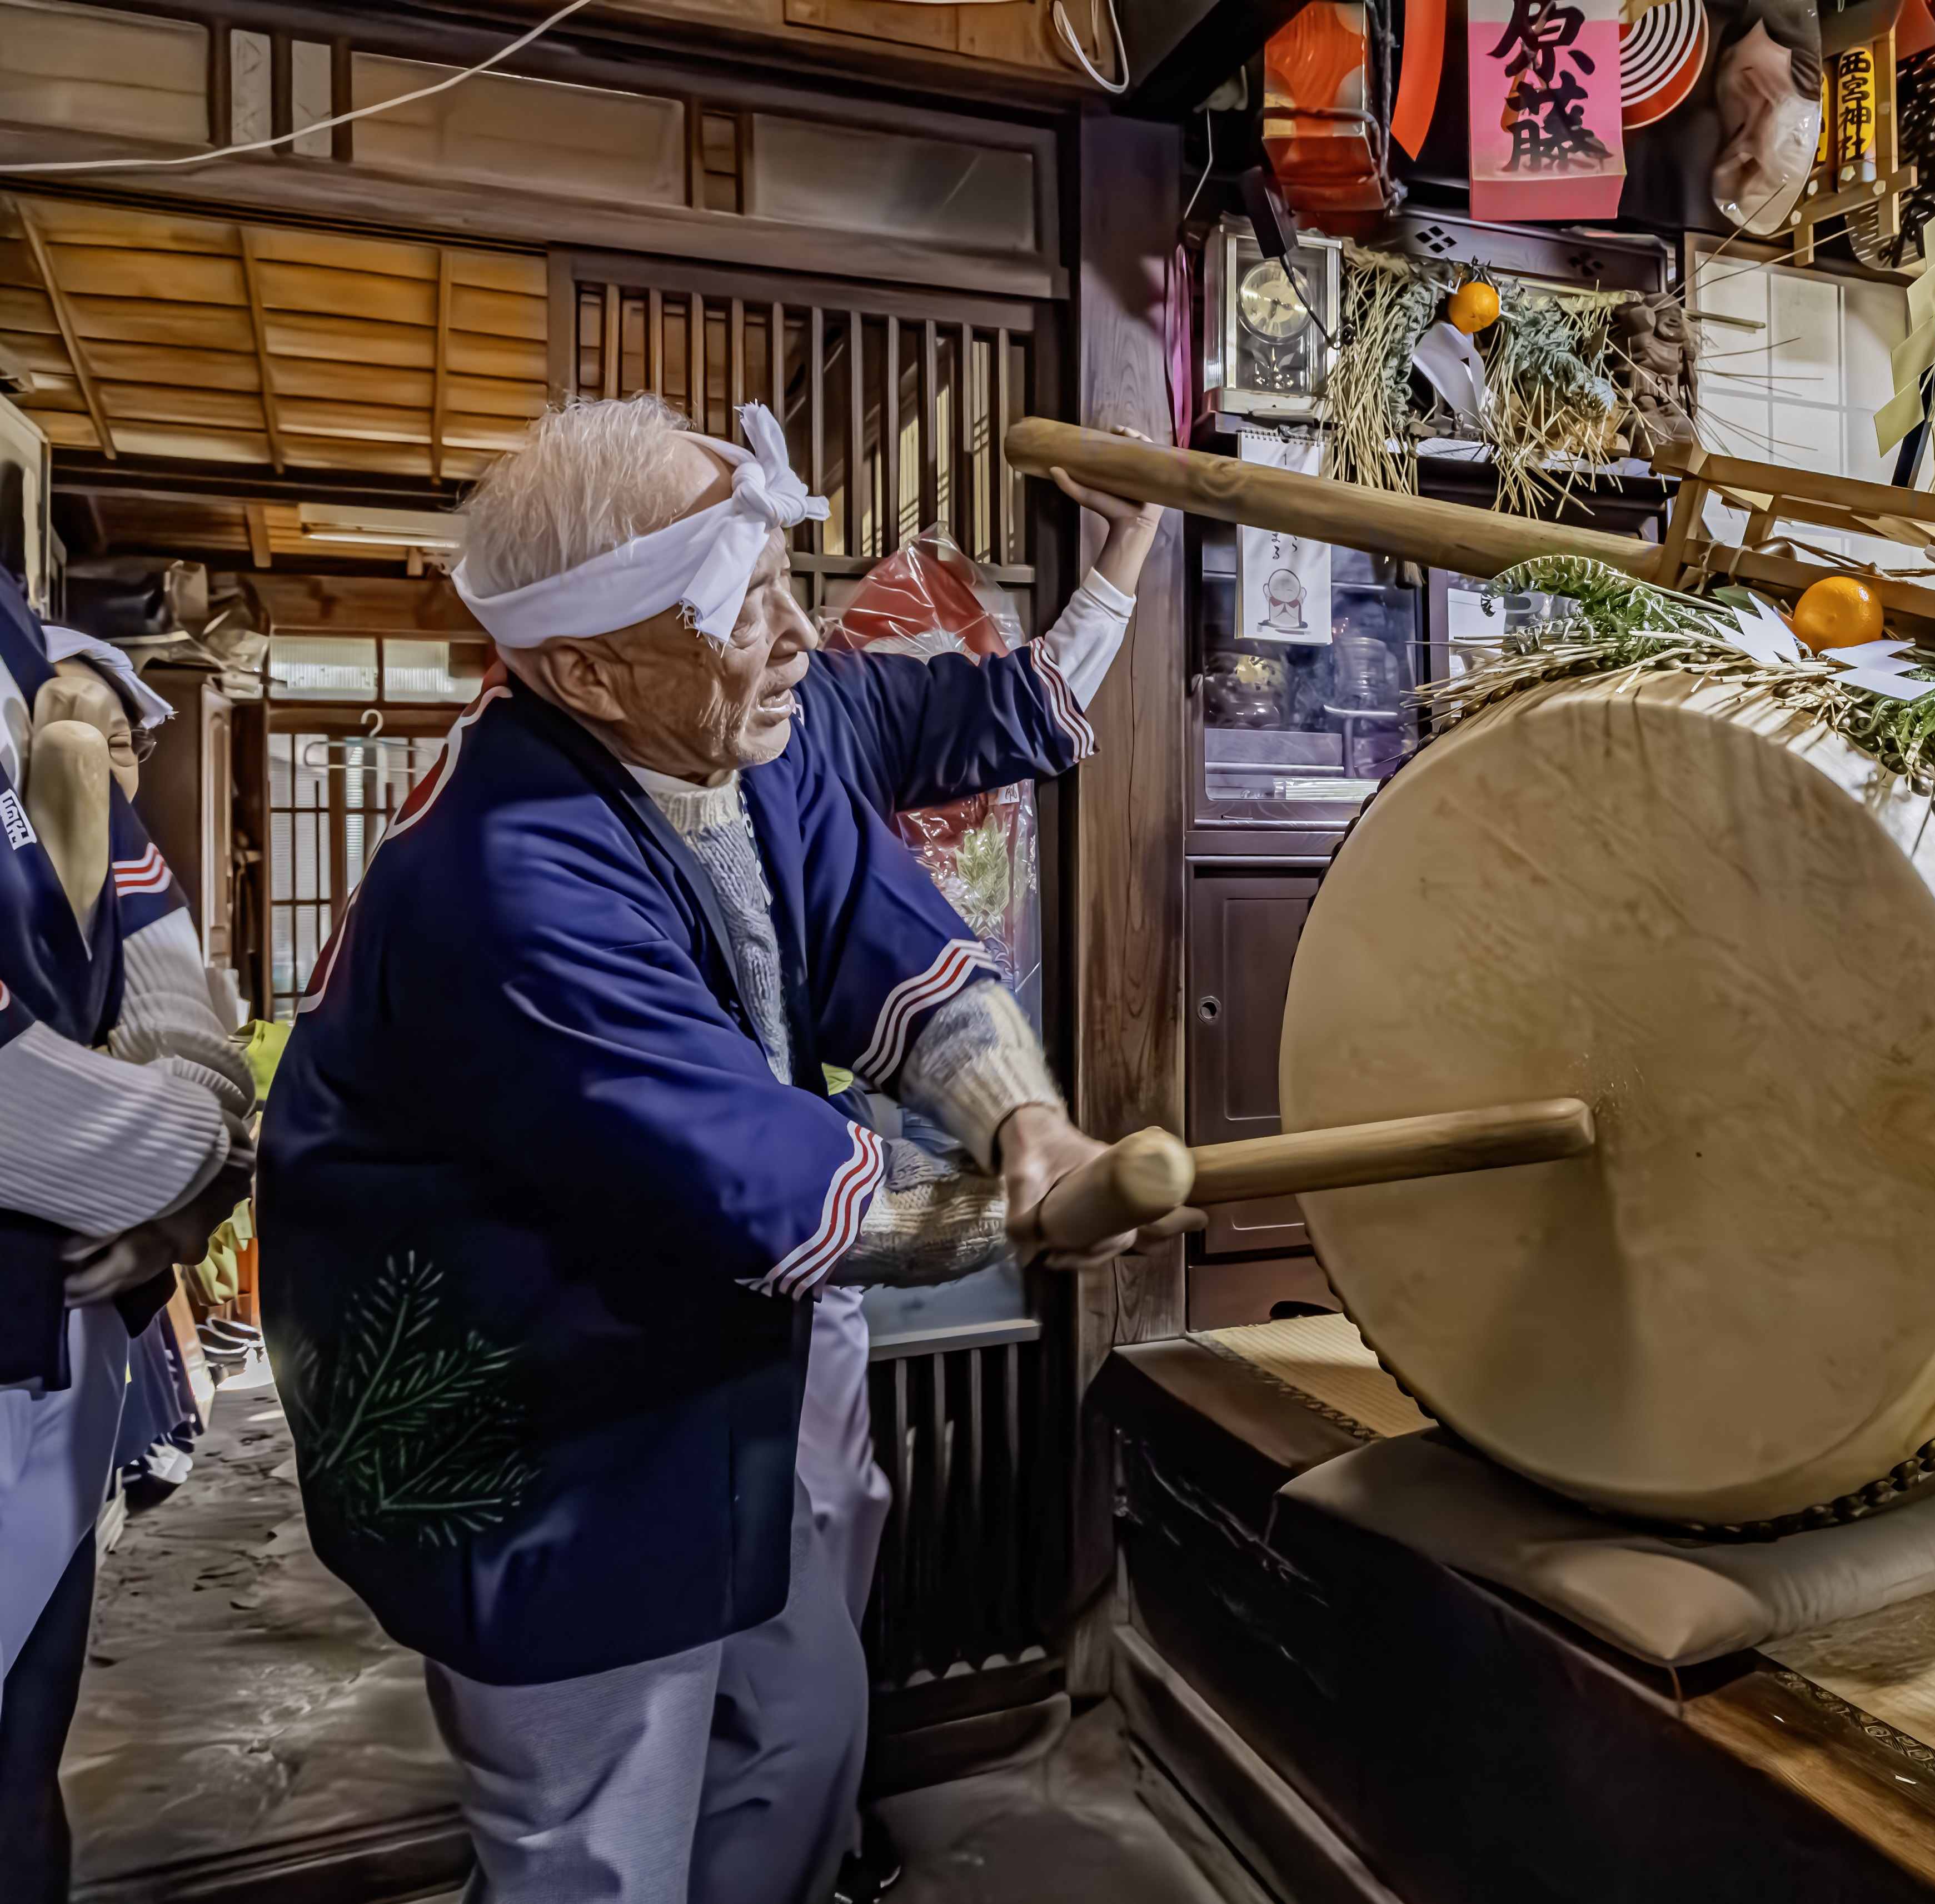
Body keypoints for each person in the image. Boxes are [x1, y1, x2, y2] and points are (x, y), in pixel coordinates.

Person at [258, 394, 1180, 1902]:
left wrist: (1030, 1119)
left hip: (708, 1348)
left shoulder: (749, 730)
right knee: (596, 1837)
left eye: (779, 582)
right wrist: (1022, 1217)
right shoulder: (504, 879)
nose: (797, 636)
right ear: (581, 670)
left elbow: (888, 945)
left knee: (798, 1731)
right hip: (547, 1414)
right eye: (735, 605)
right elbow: (739, 1170)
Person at [0, 590, 253, 1896]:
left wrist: (187, 1171)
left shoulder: (33, 682)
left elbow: (203, 1055)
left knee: (20, 1771)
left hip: (59, 1340)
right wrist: (177, 1151)